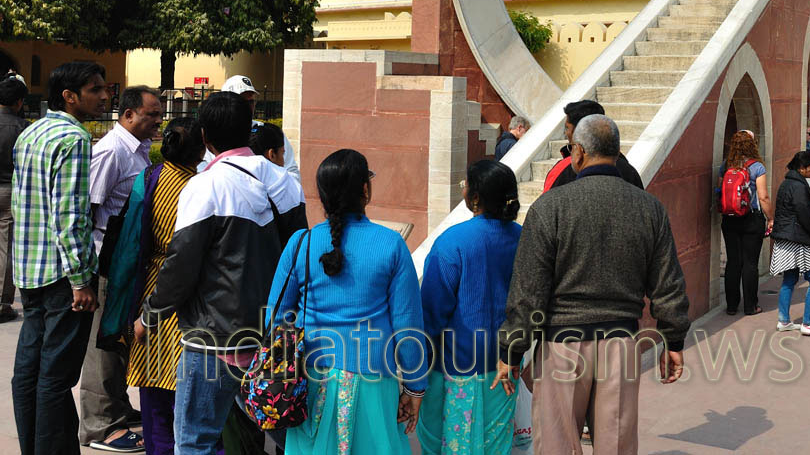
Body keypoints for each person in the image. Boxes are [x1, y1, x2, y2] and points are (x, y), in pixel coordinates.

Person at [496, 115, 689, 455]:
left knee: (556, 445)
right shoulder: (649, 208)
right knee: (616, 445)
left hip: (561, 344)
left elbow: (528, 293)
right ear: (616, 152)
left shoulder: (550, 207)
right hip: (620, 342)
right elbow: (668, 283)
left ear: (579, 152)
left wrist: (512, 349)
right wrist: (673, 339)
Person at [138, 91, 307, 455]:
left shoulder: (204, 186)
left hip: (213, 339)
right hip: (274, 336)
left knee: (195, 441)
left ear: (204, 137)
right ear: (249, 129)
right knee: (289, 435)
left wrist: (150, 315)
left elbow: (180, 266)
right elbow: (298, 261)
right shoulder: (286, 182)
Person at [266, 149, 428, 454]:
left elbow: (274, 319)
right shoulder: (391, 244)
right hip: (374, 382)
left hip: (311, 382)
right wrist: (414, 386)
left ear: (323, 195)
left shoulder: (301, 243)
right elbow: (408, 325)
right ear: (365, 189)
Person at [11, 61, 110, 454]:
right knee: (53, 377)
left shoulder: (31, 132)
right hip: (61, 276)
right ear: (69, 96)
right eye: (95, 89)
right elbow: (70, 217)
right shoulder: (74, 139)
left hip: (30, 269)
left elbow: (22, 204)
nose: (104, 96)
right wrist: (81, 280)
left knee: (29, 372)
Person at [419, 159, 522, 454]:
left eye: (465, 185)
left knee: (442, 443)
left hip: (454, 367)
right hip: (505, 365)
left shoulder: (453, 242)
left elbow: (431, 312)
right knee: (495, 445)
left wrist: (418, 366)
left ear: (475, 198)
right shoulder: (523, 238)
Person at [80, 85, 162, 453]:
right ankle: (100, 426)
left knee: (119, 340)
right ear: (128, 115)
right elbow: (88, 210)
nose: (158, 121)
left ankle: (116, 408)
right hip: (107, 260)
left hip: (125, 261)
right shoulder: (111, 151)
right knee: (103, 343)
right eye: (152, 114)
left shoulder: (138, 150)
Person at [124, 118, 206, 455]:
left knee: (153, 389)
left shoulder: (149, 178)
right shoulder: (200, 187)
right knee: (186, 393)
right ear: (201, 149)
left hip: (149, 287)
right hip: (186, 293)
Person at [769, 151, 810, 336]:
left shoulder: (787, 183)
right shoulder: (798, 186)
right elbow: (805, 216)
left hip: (786, 238)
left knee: (789, 280)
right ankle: (808, 323)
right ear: (802, 168)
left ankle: (784, 320)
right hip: (798, 239)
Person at [198, 75, 300, 179]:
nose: (248, 107)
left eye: (251, 101)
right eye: (242, 101)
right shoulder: (212, 134)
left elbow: (293, 174)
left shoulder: (270, 133)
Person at [717, 130, 772, 316]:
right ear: (752, 145)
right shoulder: (757, 167)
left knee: (733, 262)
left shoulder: (726, 165)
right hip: (751, 219)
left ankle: (731, 306)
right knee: (750, 263)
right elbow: (763, 197)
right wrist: (771, 218)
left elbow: (720, 191)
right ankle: (750, 306)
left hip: (729, 218)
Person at [543, 100, 643, 191]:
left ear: (579, 130)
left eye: (567, 128)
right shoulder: (630, 171)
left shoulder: (563, 170)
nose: (566, 133)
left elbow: (546, 202)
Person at [0, 74, 30, 324]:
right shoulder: (24, 128)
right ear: (19, 102)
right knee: (6, 247)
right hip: (10, 190)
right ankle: (2, 302)